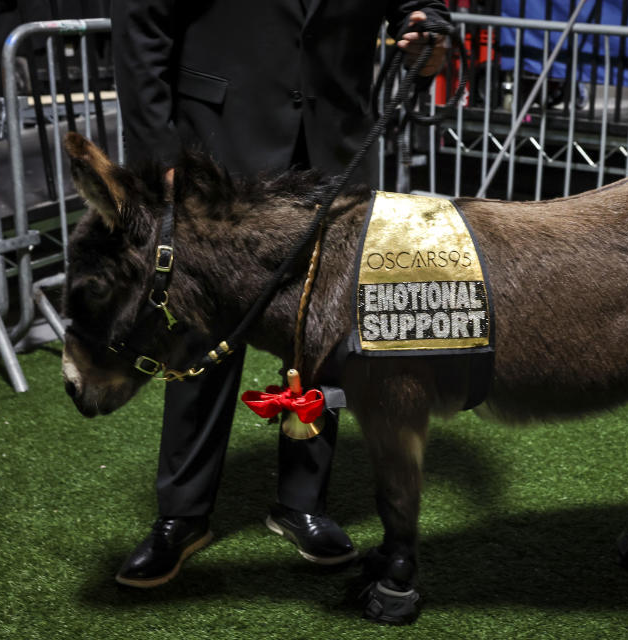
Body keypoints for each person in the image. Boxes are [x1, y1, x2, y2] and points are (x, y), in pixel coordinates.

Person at [110, 0, 450, 588]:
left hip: (333, 151)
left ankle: (302, 502)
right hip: (216, 149)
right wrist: (156, 153)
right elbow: (141, 24)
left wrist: (423, 18)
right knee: (201, 336)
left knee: (326, 339)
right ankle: (182, 516)